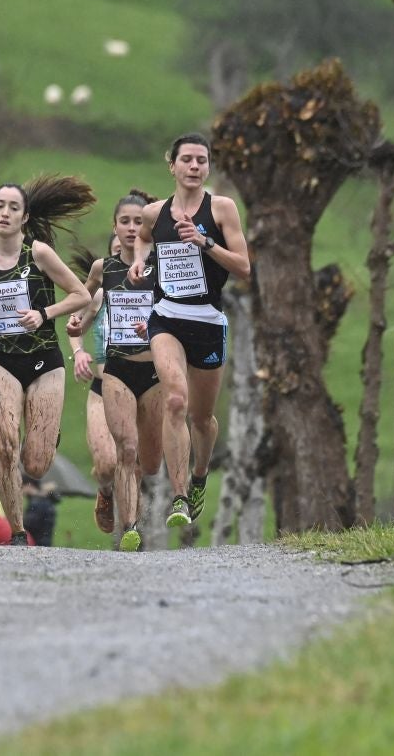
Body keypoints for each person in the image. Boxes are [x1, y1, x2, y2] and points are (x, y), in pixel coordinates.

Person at [0, 176, 94, 545]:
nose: (5, 213)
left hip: (44, 360)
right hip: (3, 360)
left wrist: (45, 314)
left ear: (24, 217)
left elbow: (81, 295)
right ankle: (17, 531)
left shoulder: (38, 253)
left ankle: (46, 434)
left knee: (36, 463)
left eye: (13, 208)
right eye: (0, 206)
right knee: (6, 446)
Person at [129, 133, 250, 527]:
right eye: (187, 160)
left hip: (208, 321)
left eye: (202, 160)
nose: (195, 167)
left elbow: (244, 267)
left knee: (202, 418)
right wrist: (138, 261)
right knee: (176, 401)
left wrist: (204, 242)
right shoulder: (153, 212)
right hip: (166, 317)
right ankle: (179, 497)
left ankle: (199, 478)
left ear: (208, 167)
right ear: (173, 165)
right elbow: (144, 240)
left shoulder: (222, 209)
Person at [74, 190, 164, 551]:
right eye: (124, 221)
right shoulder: (103, 273)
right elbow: (77, 309)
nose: (131, 228)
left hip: (152, 375)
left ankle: (126, 517)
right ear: (114, 227)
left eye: (138, 222)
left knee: (146, 461)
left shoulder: (160, 268)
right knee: (116, 457)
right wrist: (78, 349)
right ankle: (125, 520)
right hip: (107, 379)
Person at [66, 234, 121, 537]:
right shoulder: (99, 296)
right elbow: (74, 326)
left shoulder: (154, 292)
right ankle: (106, 491)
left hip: (140, 388)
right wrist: (79, 353)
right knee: (106, 465)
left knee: (136, 464)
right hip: (102, 389)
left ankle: (132, 530)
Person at [22, 477, 60, 547]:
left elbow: (29, 524)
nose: (21, 490)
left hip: (38, 544)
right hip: (44, 542)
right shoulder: (43, 500)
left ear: (29, 485)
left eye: (22, 486)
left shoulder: (37, 502)